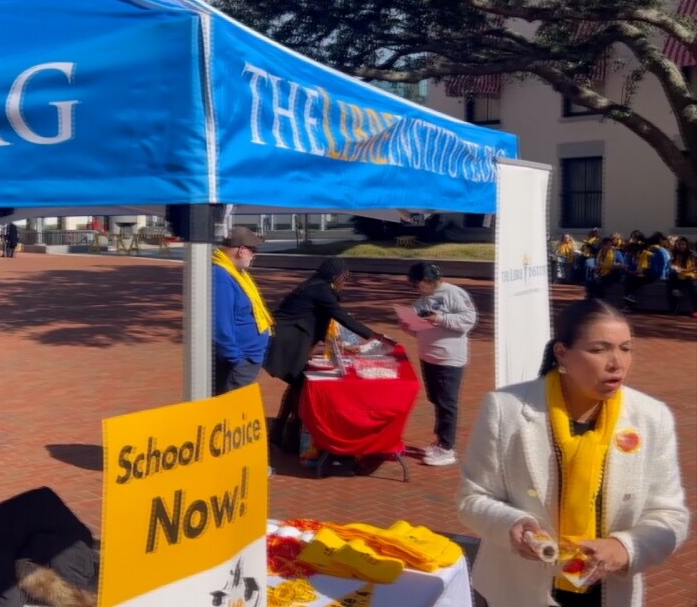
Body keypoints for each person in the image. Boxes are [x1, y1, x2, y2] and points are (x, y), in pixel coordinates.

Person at [457, 299, 689, 607]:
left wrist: (625, 548)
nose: (616, 362)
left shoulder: (650, 416)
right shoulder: (507, 408)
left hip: (607, 590)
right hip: (517, 589)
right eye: (599, 349)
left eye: (625, 348)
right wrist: (512, 524)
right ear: (562, 353)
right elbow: (473, 498)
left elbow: (670, 513)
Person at [264, 257, 393, 452]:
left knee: (298, 382)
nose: (345, 282)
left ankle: (286, 430)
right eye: (345, 278)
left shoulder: (315, 285)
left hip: (291, 338)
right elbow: (339, 315)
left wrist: (341, 344)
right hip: (288, 341)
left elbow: (322, 320)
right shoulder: (321, 290)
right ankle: (288, 432)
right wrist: (376, 336)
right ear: (335, 275)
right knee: (300, 382)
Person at [400, 262, 477, 467]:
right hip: (428, 356)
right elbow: (418, 329)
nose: (416, 289)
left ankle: (447, 448)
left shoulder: (453, 293)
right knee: (436, 399)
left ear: (427, 281)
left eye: (416, 285)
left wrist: (440, 318)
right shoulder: (422, 300)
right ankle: (440, 440)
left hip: (448, 358)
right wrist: (409, 326)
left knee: (447, 402)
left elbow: (468, 319)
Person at [212, 226, 272, 395]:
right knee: (229, 412)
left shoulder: (237, 274)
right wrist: (235, 358)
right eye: (253, 251)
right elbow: (220, 324)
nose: (254, 256)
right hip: (240, 362)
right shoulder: (221, 278)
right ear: (241, 250)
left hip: (248, 357)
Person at [623, 232, 671, 309]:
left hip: (656, 275)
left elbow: (653, 268)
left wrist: (642, 272)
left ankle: (628, 302)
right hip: (661, 274)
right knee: (629, 278)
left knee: (629, 279)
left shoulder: (653, 251)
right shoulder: (663, 250)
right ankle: (629, 297)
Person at [584, 237, 625, 301]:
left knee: (599, 283)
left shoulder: (616, 253)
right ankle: (590, 299)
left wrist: (613, 265)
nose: (609, 246)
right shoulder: (600, 253)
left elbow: (622, 265)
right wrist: (597, 271)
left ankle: (599, 301)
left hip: (612, 273)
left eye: (610, 245)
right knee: (590, 281)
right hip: (602, 273)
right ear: (603, 246)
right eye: (607, 245)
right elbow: (598, 264)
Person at [667, 236, 697, 316]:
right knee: (671, 281)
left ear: (687, 245)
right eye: (679, 244)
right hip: (680, 276)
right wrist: (674, 267)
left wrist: (684, 270)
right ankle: (673, 307)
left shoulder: (692, 255)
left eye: (683, 244)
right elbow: (673, 265)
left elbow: (694, 267)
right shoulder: (676, 254)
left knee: (693, 289)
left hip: (691, 276)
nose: (681, 246)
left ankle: (696, 309)